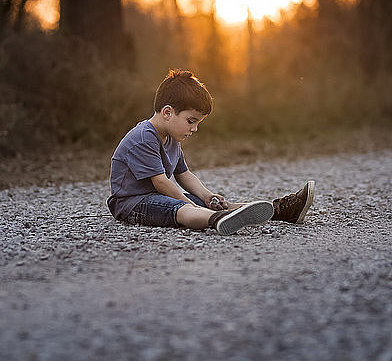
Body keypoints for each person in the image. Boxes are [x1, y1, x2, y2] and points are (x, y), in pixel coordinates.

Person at [107, 69, 315, 236]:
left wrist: (207, 197)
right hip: (132, 203)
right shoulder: (143, 138)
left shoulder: (171, 138)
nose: (194, 129)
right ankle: (215, 220)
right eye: (191, 121)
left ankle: (279, 210)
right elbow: (161, 182)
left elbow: (184, 175)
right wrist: (191, 205)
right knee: (183, 209)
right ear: (168, 112)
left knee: (208, 204)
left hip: (157, 197)